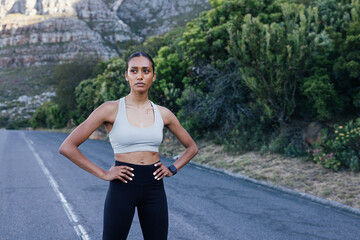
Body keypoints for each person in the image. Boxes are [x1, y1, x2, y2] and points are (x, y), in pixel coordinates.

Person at [58, 51, 198, 240]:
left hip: (154, 187)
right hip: (122, 186)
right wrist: (104, 173)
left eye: (146, 71)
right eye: (134, 71)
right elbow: (68, 146)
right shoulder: (110, 109)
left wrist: (172, 168)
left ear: (153, 76)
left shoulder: (164, 113)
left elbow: (191, 148)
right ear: (126, 75)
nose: (140, 76)